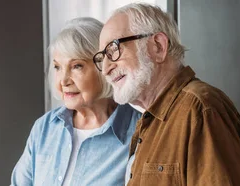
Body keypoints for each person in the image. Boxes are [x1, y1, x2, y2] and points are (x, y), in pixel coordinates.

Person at [94, 3, 240, 186]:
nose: (105, 69)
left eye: (113, 50)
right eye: (102, 58)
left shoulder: (200, 110)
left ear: (158, 47)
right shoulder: (150, 120)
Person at [10, 17, 141, 186]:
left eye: (76, 66)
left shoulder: (140, 132)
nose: (63, 80)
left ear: (105, 66)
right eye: (57, 67)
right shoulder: (44, 128)